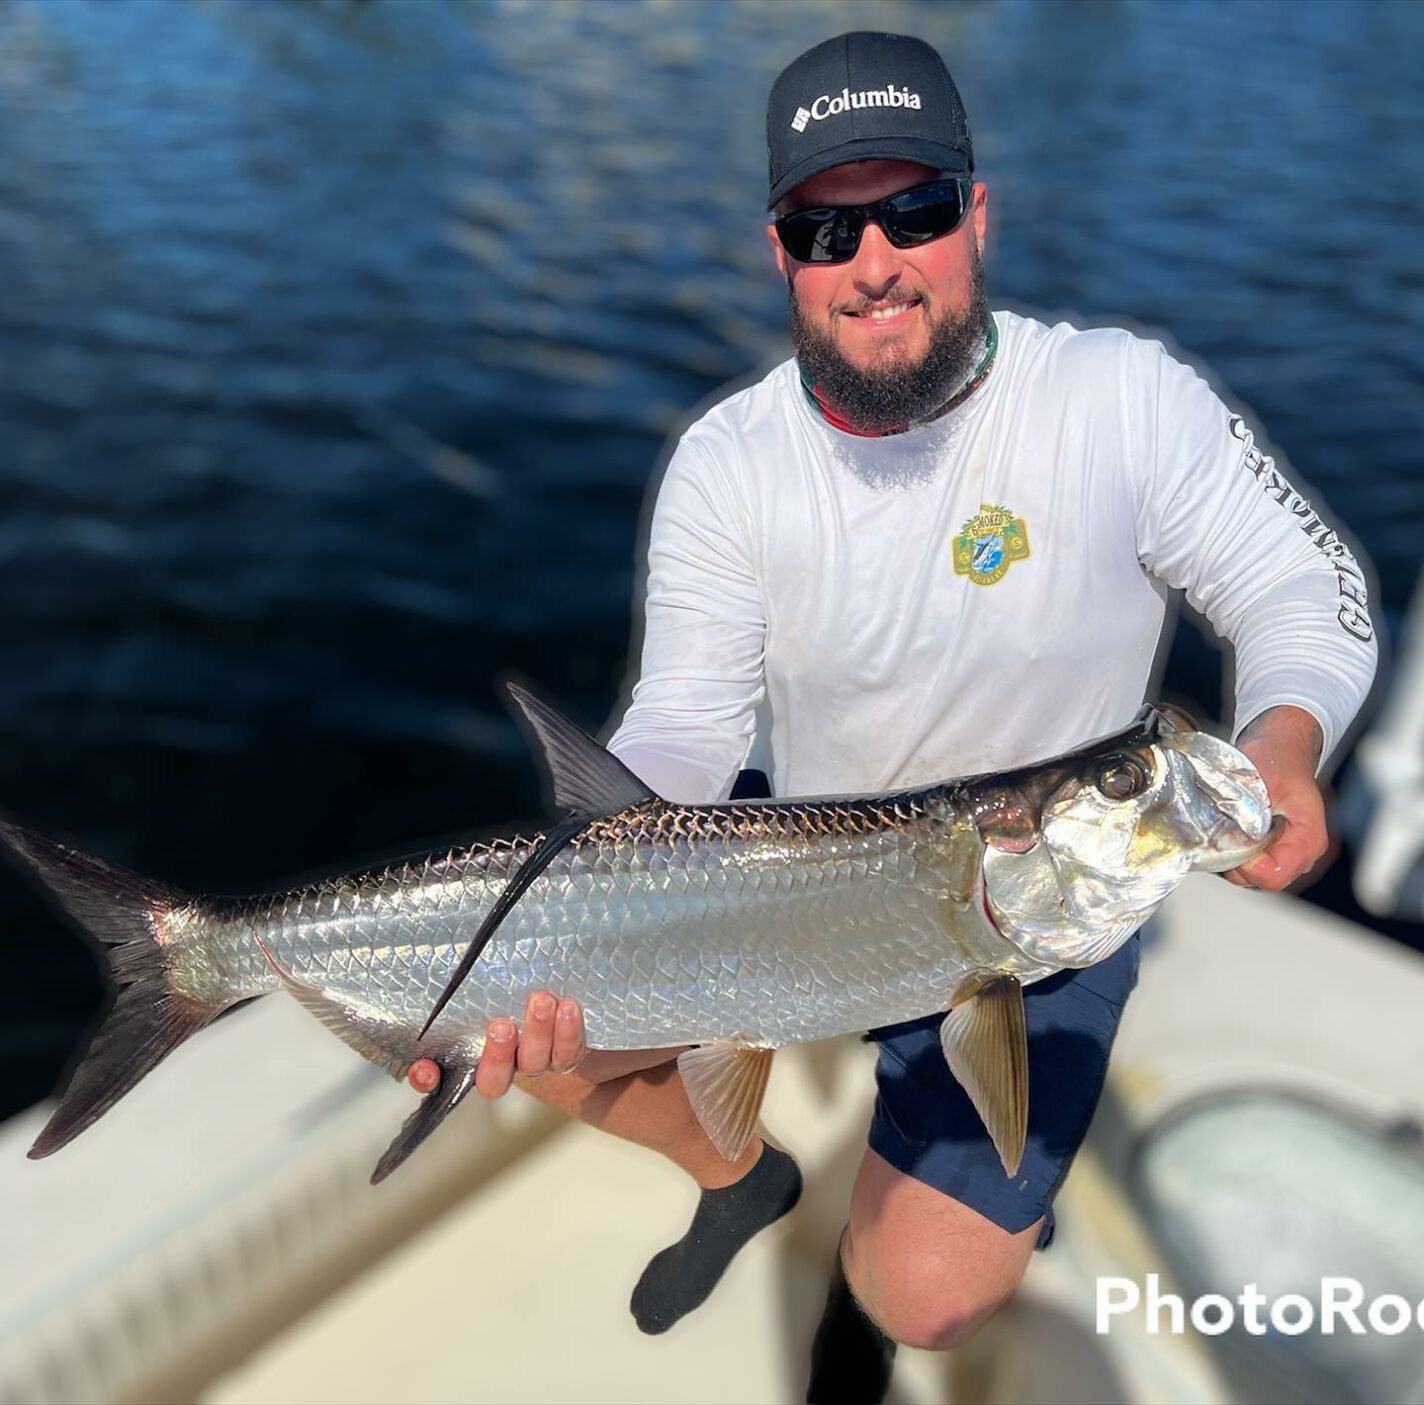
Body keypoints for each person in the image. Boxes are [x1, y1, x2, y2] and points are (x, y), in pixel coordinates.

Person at [408, 30, 1377, 1401]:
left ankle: (865, 1273)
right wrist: (613, 883)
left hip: (1043, 905)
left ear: (977, 215)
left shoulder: (1114, 400)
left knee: (925, 1297)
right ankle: (737, 1172)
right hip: (791, 858)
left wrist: (1284, 735)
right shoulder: (730, 463)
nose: (874, 264)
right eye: (826, 228)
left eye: (914, 211)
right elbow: (685, 718)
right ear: (780, 249)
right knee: (480, 1018)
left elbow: (1300, 581)